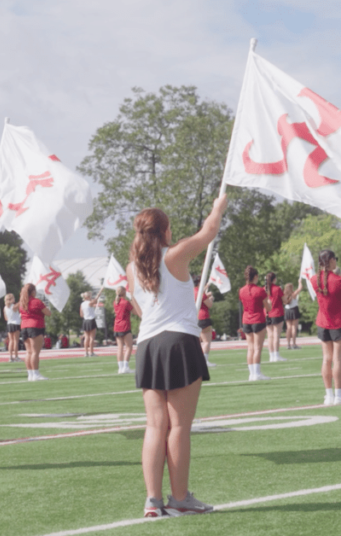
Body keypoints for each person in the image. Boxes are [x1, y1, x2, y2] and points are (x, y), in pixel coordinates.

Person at [128, 195, 226, 517]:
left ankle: (153, 501)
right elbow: (208, 232)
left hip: (148, 345)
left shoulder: (132, 268)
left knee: (155, 426)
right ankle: (180, 497)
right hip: (179, 342)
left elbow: (139, 307)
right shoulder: (174, 255)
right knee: (180, 426)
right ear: (164, 232)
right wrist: (218, 205)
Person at [310, 249, 341, 405]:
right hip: (338, 322)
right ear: (330, 260)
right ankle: (339, 396)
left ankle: (328, 396)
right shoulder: (339, 281)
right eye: (335, 259)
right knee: (337, 359)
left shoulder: (313, 279)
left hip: (322, 322)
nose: (336, 261)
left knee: (326, 359)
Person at [239, 266, 270, 381]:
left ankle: (251, 374)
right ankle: (257, 373)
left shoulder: (242, 290)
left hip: (246, 320)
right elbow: (268, 307)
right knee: (257, 348)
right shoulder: (260, 290)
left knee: (250, 348)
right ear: (255, 276)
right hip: (258, 319)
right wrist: (268, 298)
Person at [20, 283, 51, 381]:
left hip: (24, 327)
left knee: (28, 352)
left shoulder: (22, 303)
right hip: (35, 326)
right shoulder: (37, 302)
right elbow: (48, 313)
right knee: (35, 352)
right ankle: (36, 374)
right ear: (32, 291)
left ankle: (30, 375)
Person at [113, 285, 139, 374]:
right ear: (124, 292)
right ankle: (126, 367)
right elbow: (135, 312)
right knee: (129, 346)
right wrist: (134, 303)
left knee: (120, 347)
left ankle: (120, 368)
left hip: (117, 326)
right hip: (125, 326)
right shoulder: (126, 302)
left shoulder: (115, 302)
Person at [264, 272, 287, 363]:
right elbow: (284, 300)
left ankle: (271, 355)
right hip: (277, 313)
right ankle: (276, 355)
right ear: (274, 279)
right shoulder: (277, 289)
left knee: (269, 336)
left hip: (266, 313)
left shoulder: (263, 289)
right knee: (276, 335)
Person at [194, 282, 215, 366]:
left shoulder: (192, 291)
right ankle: (205, 361)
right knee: (206, 341)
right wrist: (211, 299)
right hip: (203, 317)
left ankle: (196, 360)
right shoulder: (200, 293)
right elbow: (209, 305)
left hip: (195, 317)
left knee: (197, 341)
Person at [284, 282, 304, 350]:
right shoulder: (294, 294)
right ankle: (294, 344)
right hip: (294, 310)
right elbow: (300, 287)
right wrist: (299, 281)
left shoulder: (284, 295)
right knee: (293, 328)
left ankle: (288, 344)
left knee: (288, 328)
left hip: (287, 310)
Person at [79, 291, 98, 357]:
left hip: (85, 321)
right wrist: (100, 291)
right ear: (87, 297)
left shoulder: (82, 304)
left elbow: (81, 315)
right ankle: (91, 352)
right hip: (91, 320)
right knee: (92, 338)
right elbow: (96, 299)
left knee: (86, 337)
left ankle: (86, 352)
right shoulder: (89, 303)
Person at [4, 293, 22, 362]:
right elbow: (21, 302)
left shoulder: (5, 308)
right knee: (15, 341)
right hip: (15, 324)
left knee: (11, 341)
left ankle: (10, 357)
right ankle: (16, 356)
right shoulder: (14, 306)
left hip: (9, 324)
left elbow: (6, 318)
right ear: (11, 299)